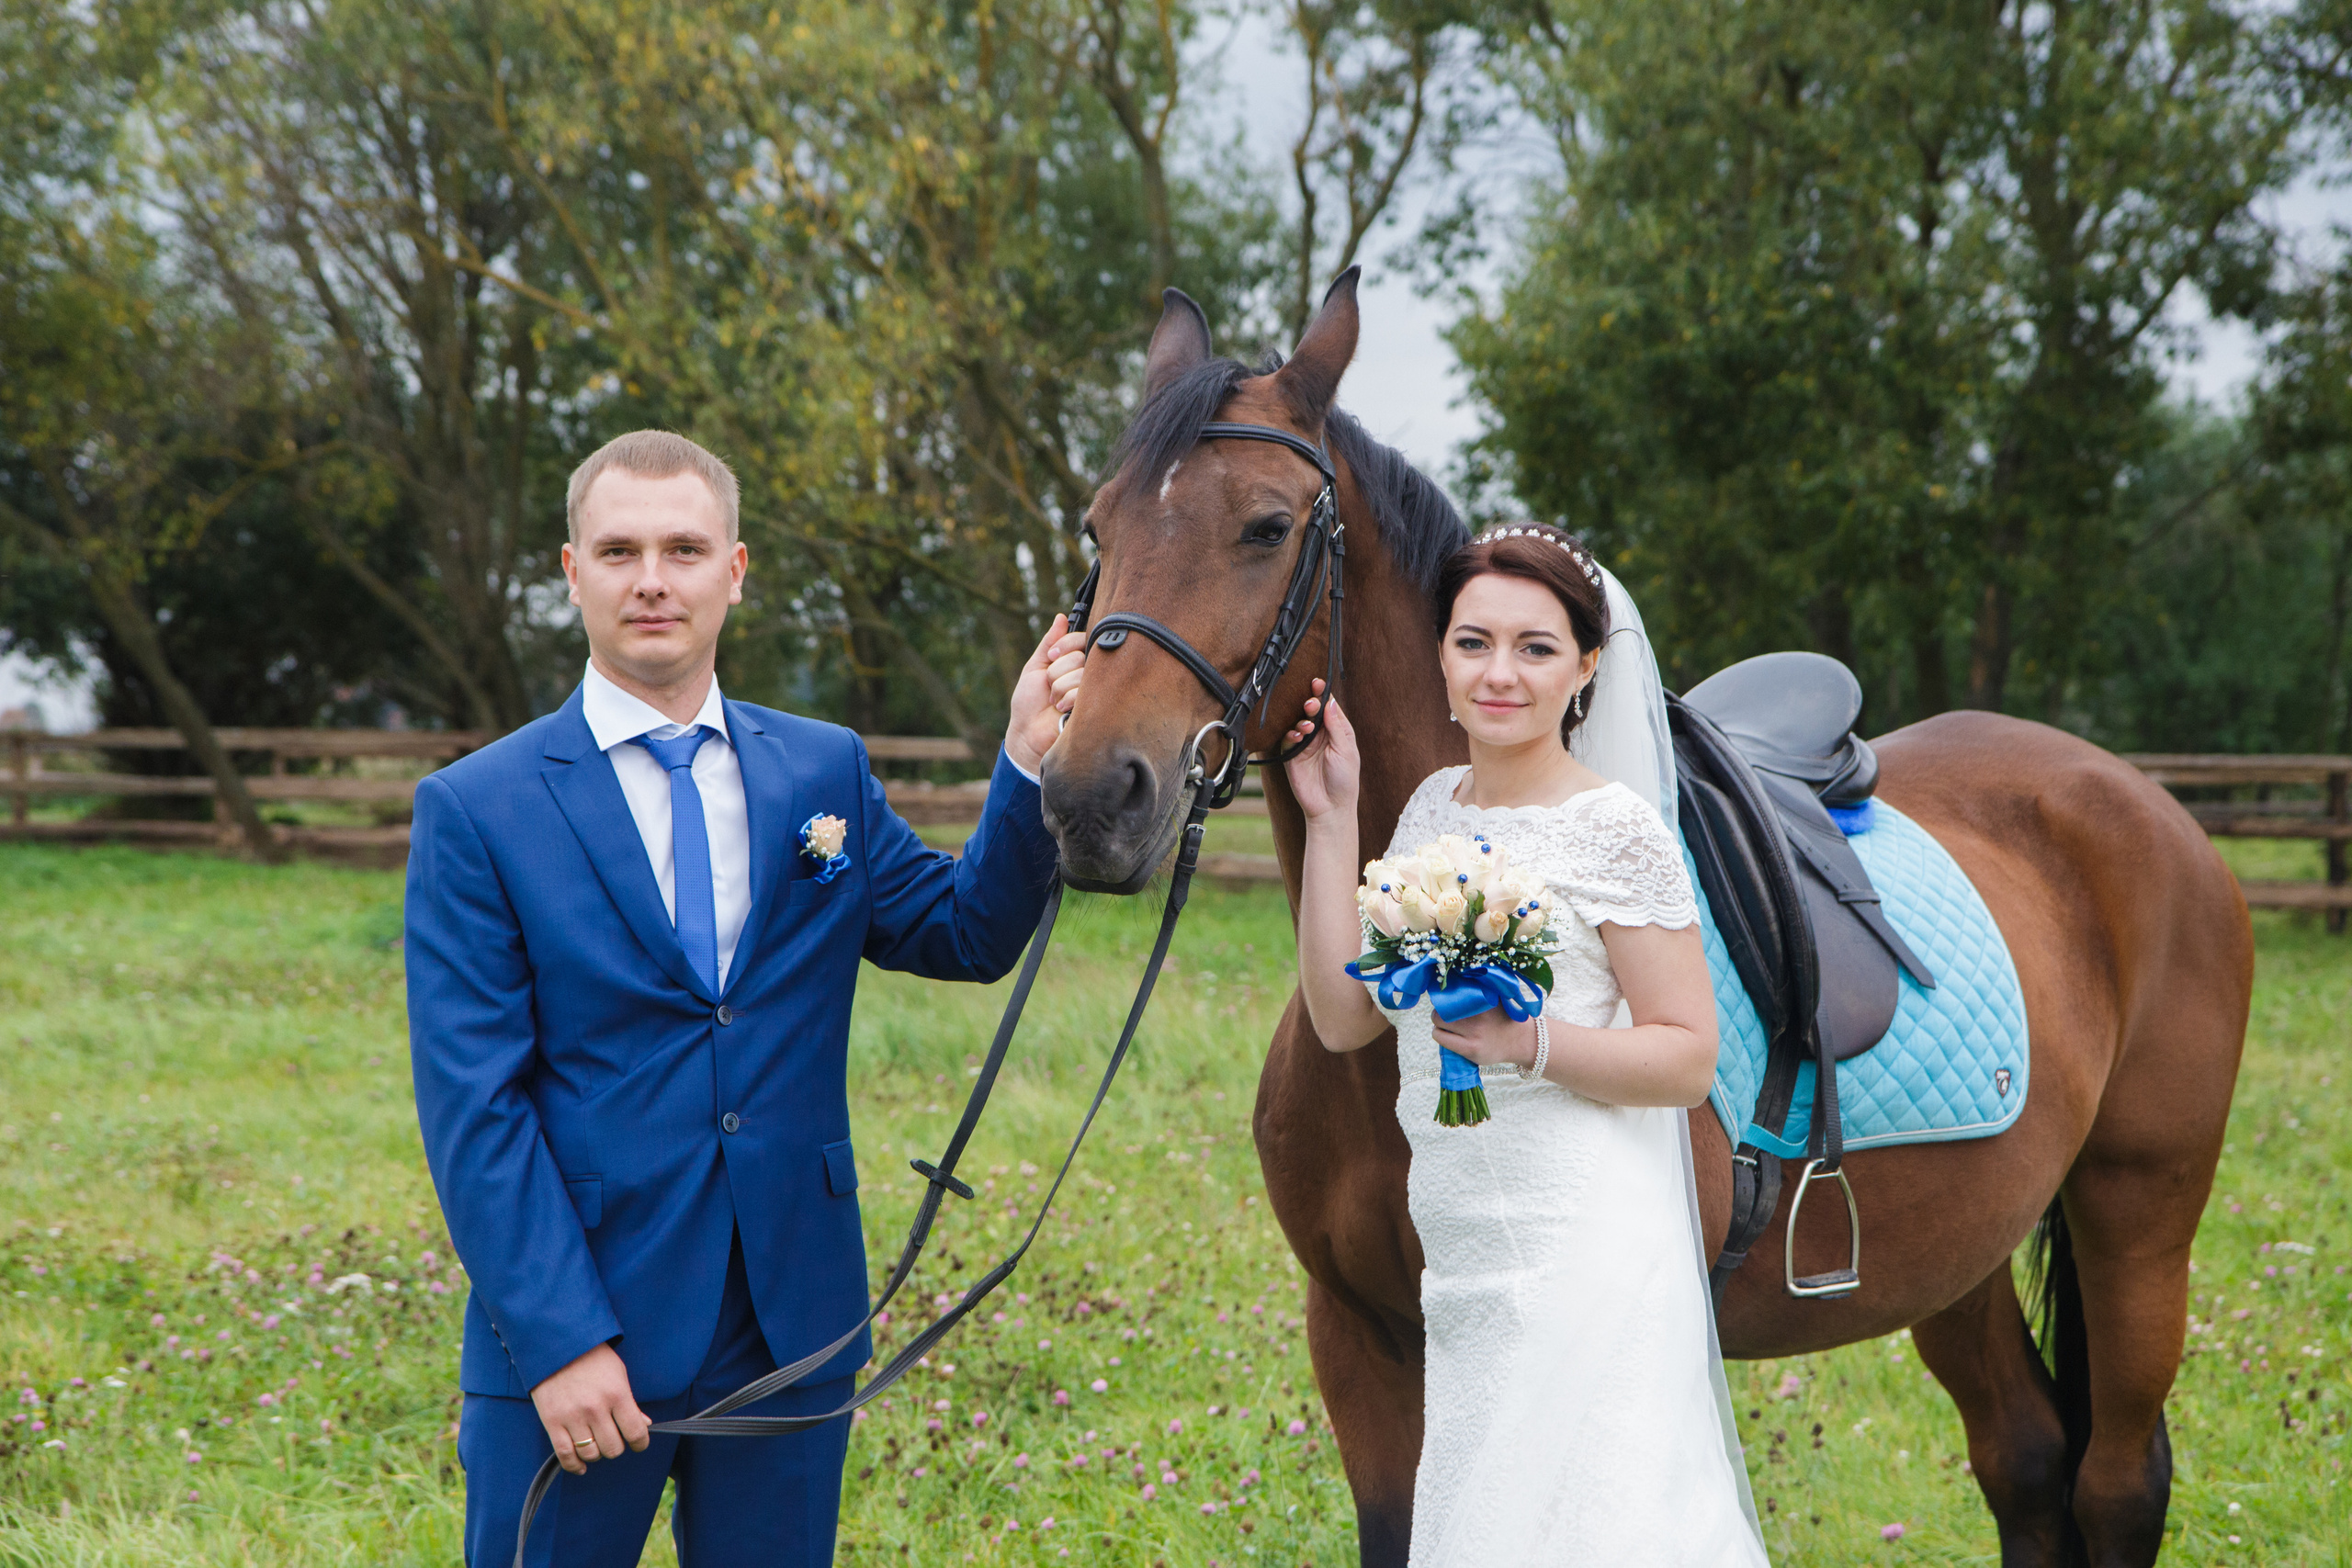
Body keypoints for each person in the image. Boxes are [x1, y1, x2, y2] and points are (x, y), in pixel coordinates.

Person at [404, 429, 1085, 1567]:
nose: (653, 579)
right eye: (618, 551)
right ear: (571, 573)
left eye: (684, 548)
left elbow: (964, 933)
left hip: (790, 1323)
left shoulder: (819, 769)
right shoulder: (478, 807)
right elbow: (475, 1104)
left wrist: (1022, 759)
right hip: (582, 1342)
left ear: (736, 570)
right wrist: (561, 1344)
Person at [1282, 523, 1767, 1565]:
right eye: (1472, 643)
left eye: (1535, 648)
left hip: (1581, 1242)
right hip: (1461, 1245)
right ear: (1441, 658)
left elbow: (1685, 1057)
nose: (1499, 673)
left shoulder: (1616, 828)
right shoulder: (1421, 812)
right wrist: (1331, 823)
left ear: (1586, 669)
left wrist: (1526, 1040)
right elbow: (1342, 1016)